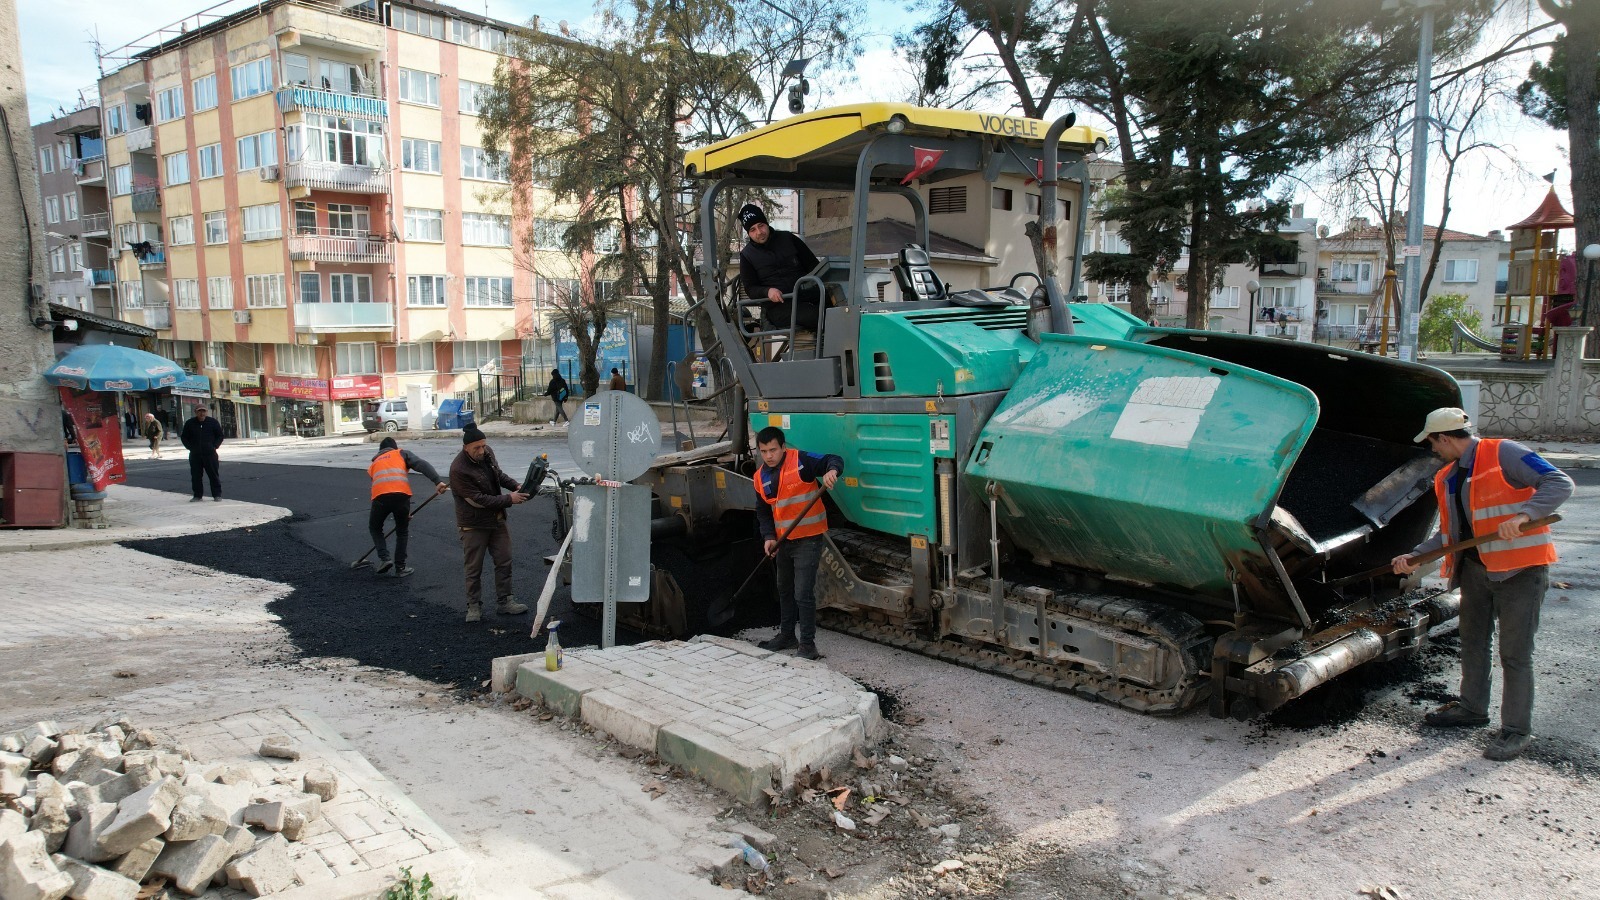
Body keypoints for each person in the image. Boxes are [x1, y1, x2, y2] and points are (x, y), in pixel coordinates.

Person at [1391, 407, 1573, 761]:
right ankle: (1472, 708)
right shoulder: (1447, 477)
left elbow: (1559, 482)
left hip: (1520, 571)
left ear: (1445, 438)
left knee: (1515, 654)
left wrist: (1524, 515)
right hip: (1476, 571)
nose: (1433, 449)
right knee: (1474, 643)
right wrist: (1415, 555)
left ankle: (1516, 730)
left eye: (1433, 442)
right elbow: (1451, 534)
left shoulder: (1504, 453)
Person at [752, 426, 843, 660]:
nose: (769, 456)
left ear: (783, 447)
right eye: (764, 451)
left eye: (773, 450)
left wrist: (832, 471)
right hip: (783, 541)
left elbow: (833, 459)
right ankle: (787, 636)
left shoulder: (801, 461)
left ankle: (808, 645)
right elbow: (763, 511)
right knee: (784, 589)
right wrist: (769, 537)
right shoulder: (760, 477)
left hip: (808, 539)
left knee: (803, 593)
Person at [449, 425, 531, 623]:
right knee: (473, 568)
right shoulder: (458, 469)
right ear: (465, 447)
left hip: (497, 519)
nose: (482, 450)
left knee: (504, 560)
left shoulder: (487, 453)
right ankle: (473, 606)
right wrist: (509, 499)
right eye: (476, 448)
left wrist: (516, 485)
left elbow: (498, 475)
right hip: (474, 524)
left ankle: (505, 601)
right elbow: (478, 500)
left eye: (484, 446)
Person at [362, 435, 447, 579]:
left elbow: (381, 485)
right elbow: (421, 464)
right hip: (402, 496)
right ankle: (400, 568)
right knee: (402, 530)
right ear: (394, 447)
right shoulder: (400, 453)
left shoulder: (374, 463)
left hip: (380, 498)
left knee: (375, 528)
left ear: (380, 451)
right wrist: (437, 481)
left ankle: (384, 558)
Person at [738, 204, 822, 331]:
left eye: (761, 225)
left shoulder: (788, 238)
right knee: (817, 316)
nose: (759, 232)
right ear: (748, 233)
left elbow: (813, 265)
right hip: (780, 306)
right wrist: (767, 291)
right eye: (753, 230)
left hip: (807, 294)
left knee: (838, 307)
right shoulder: (747, 255)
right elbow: (750, 288)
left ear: (767, 224)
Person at [180, 405, 225, 502]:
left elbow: (220, 436)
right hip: (195, 454)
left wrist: (214, 446)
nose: (202, 413)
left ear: (206, 412)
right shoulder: (190, 423)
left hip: (210, 454)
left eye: (203, 411)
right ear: (195, 412)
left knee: (213, 475)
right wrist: (190, 447)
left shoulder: (213, 422)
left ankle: (217, 495)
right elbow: (184, 437)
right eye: (199, 411)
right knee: (196, 476)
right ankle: (197, 495)